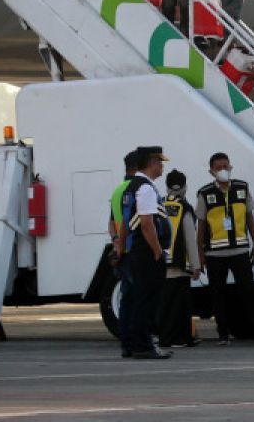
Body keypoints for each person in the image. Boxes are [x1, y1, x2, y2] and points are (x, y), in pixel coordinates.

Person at [195, 152, 254, 345]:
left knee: (249, 292)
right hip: (214, 253)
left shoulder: (242, 188)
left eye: (225, 166)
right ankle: (223, 334)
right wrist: (200, 253)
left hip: (240, 251)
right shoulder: (204, 193)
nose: (223, 170)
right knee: (218, 295)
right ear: (211, 171)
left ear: (231, 167)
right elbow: (201, 225)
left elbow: (249, 217)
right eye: (218, 167)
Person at [118, 146, 172, 359]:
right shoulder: (146, 188)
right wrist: (158, 250)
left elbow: (124, 222)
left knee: (139, 299)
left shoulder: (131, 186)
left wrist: (121, 245)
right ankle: (143, 346)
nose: (162, 166)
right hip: (148, 253)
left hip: (137, 252)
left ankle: (135, 344)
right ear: (151, 163)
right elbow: (147, 224)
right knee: (147, 301)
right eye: (159, 162)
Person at [157, 169, 202, 348]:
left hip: (161, 263)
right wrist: (196, 265)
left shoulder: (158, 204)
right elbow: (190, 238)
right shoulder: (185, 208)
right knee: (181, 305)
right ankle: (180, 338)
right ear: (184, 187)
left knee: (164, 305)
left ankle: (166, 337)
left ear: (167, 186)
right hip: (179, 266)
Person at [108, 150, 141, 358]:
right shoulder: (135, 189)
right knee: (138, 300)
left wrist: (115, 243)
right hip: (135, 252)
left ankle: (127, 343)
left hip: (123, 252)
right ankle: (137, 342)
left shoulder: (118, 190)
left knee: (127, 300)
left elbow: (111, 223)